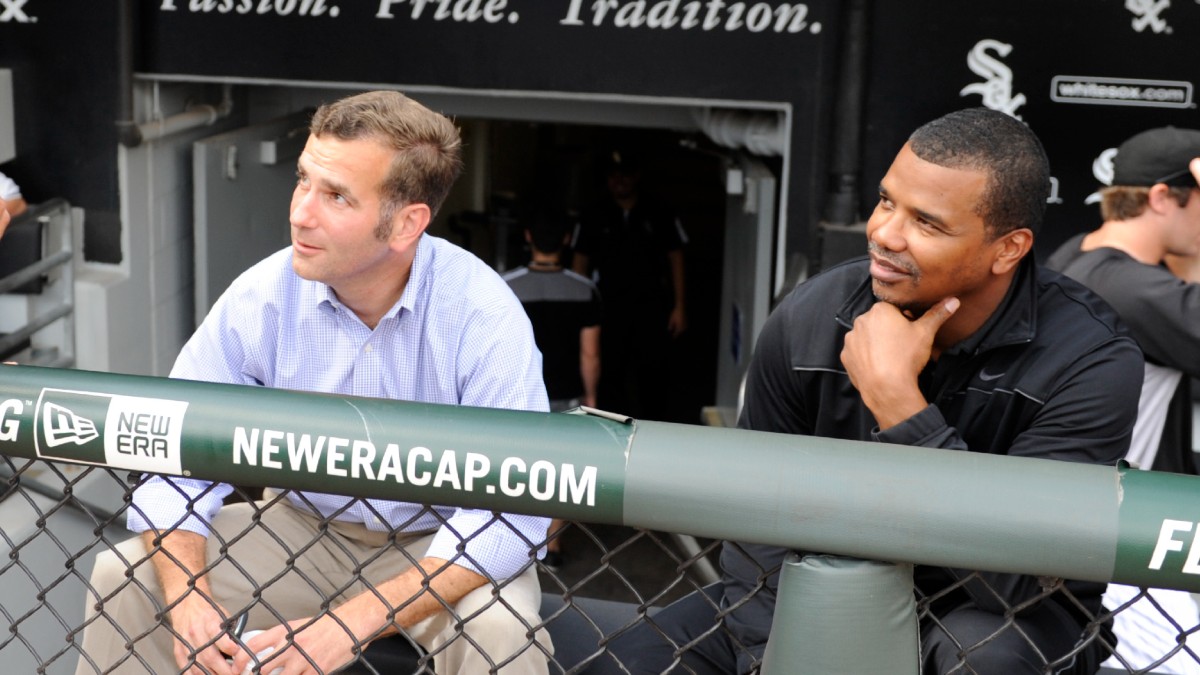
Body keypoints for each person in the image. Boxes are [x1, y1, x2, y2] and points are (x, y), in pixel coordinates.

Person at [601, 108, 1143, 675]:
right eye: (887, 201)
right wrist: (769, 659)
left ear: (1007, 249)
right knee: (634, 656)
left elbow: (1016, 582)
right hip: (826, 585)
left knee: (982, 652)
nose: (883, 234)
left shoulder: (1090, 356)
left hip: (989, 612)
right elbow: (751, 527)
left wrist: (901, 407)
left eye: (927, 223)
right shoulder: (812, 316)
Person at [76, 90, 553, 675]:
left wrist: (353, 621)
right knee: (124, 577)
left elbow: (514, 517)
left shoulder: (483, 313)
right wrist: (189, 598)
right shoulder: (263, 294)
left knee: (502, 631)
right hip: (300, 525)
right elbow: (174, 453)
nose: (301, 212)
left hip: (437, 542)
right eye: (304, 181)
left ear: (406, 223)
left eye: (336, 197)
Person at [1046, 131, 1200, 674]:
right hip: (1119, 538)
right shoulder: (1126, 287)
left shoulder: (1083, 256)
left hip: (1096, 522)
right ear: (1162, 197)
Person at [503, 210, 602, 570]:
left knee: (518, 466)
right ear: (564, 241)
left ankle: (513, 543)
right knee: (563, 472)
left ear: (528, 237)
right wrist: (591, 396)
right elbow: (590, 353)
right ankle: (552, 546)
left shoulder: (505, 286)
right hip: (566, 395)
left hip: (518, 394)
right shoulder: (584, 289)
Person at [571, 149, 686, 421]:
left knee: (654, 374)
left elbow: (676, 257)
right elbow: (580, 262)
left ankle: (655, 431)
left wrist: (680, 306)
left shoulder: (659, 211)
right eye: (613, 175)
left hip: (652, 307)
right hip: (608, 309)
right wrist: (581, 309)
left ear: (637, 176)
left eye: (625, 175)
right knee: (610, 375)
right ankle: (613, 433)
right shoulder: (594, 213)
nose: (619, 181)